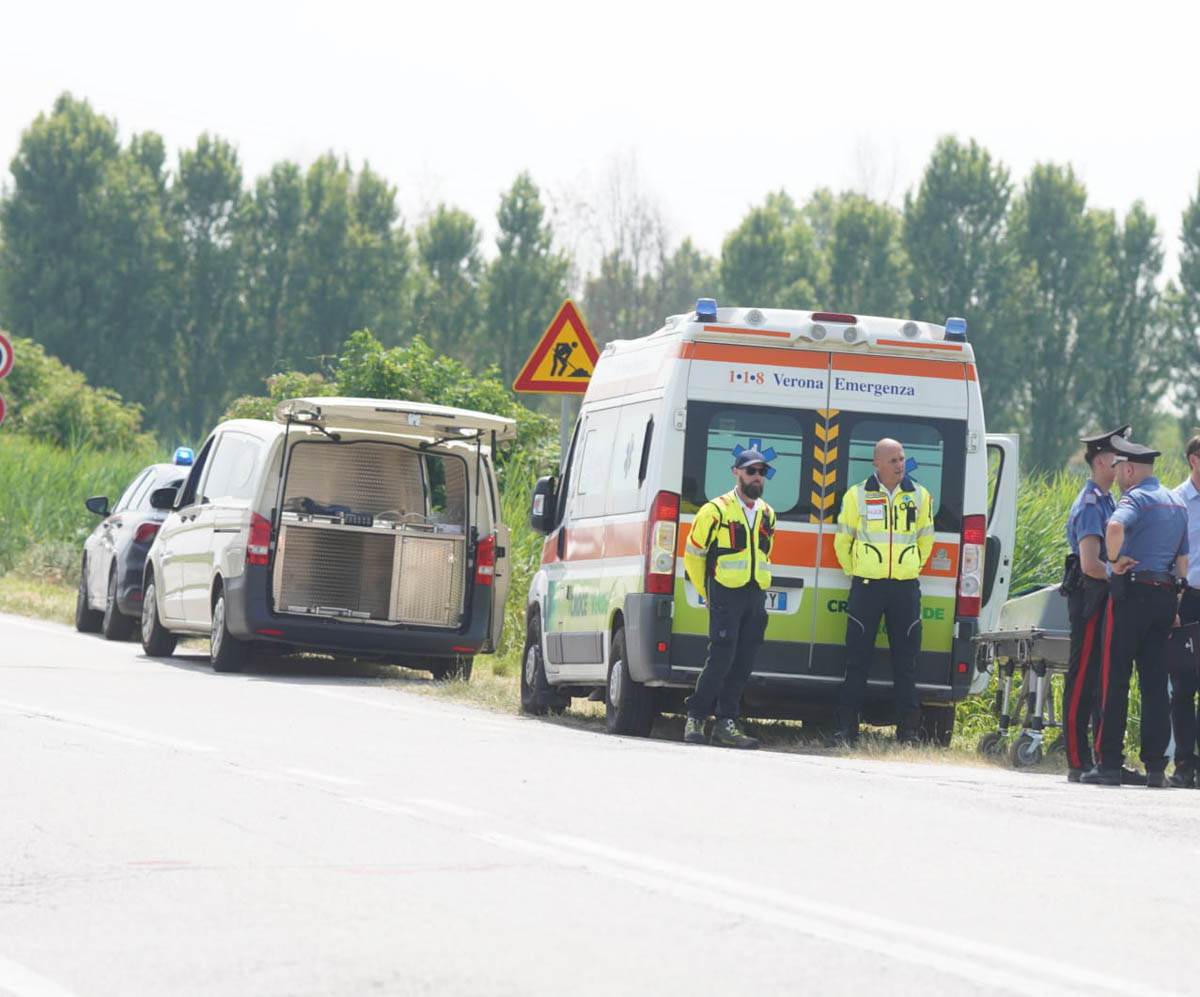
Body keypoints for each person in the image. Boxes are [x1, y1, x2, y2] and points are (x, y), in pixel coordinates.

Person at [1082, 437, 1189, 788]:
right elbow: (1183, 560)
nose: (1118, 477)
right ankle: (1156, 768)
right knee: (1155, 683)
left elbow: (1114, 527)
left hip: (1132, 595)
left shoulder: (1136, 498)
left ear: (1129, 470)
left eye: (1119, 470)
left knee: (1114, 678)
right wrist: (1176, 601)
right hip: (1166, 596)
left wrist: (1113, 561)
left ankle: (1109, 763)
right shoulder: (1176, 502)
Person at [833, 438, 935, 744]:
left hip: (905, 588)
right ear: (876, 463)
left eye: (902, 459)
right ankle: (846, 729)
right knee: (857, 661)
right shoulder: (857, 495)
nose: (900, 465)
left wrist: (911, 566)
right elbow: (843, 540)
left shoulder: (919, 495)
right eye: (893, 460)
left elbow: (925, 539)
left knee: (906, 662)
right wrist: (857, 569)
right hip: (867, 587)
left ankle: (908, 732)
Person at [682, 448, 777, 748]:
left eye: (762, 472)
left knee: (744, 661)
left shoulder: (768, 513)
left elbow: (765, 552)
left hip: (754, 593)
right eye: (751, 471)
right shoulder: (716, 510)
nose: (757, 477)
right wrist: (706, 591)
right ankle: (696, 717)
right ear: (736, 473)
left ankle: (727, 722)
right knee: (721, 658)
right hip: (724, 591)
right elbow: (693, 554)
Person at [1060, 426, 1127, 783]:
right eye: (1117, 458)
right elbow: (1090, 564)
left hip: (1103, 598)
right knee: (1083, 677)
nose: (1121, 465)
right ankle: (1077, 758)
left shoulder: (1108, 501)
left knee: (1101, 679)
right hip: (1090, 598)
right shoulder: (1090, 504)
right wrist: (1120, 574)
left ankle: (1101, 758)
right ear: (1101, 461)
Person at [1170, 435, 1200, 787]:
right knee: (1182, 686)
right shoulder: (1176, 501)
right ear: (1194, 459)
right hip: (1187, 598)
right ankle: (1184, 764)